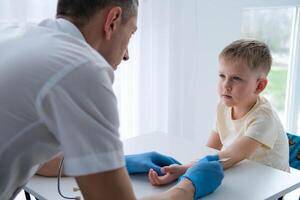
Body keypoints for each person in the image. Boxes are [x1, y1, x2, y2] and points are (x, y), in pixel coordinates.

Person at [0, 0, 224, 199]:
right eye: (131, 33)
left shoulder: (15, 35)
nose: (127, 55)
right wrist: (188, 188)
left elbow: (40, 162)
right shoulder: (80, 67)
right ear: (113, 20)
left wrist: (121, 163)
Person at [148, 39, 290, 186]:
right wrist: (187, 168)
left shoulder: (264, 118)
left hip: (269, 186)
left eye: (236, 78)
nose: (226, 85)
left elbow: (230, 156)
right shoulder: (223, 106)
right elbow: (210, 149)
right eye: (222, 76)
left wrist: (185, 169)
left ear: (259, 86)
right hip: (241, 174)